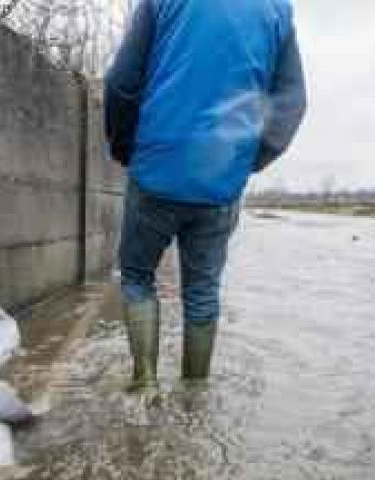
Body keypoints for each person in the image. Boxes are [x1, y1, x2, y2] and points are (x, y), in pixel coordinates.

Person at [104, 0, 307, 390]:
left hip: (156, 168)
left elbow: (122, 81)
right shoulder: (276, 10)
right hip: (221, 179)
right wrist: (250, 158)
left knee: (136, 276)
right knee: (202, 291)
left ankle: (145, 385)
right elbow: (292, 101)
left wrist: (124, 146)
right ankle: (195, 397)